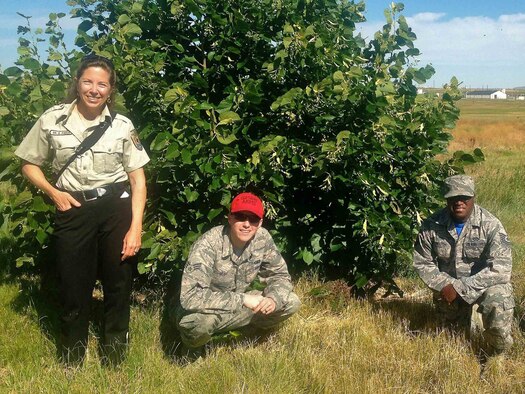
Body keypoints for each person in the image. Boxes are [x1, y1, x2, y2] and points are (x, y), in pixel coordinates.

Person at [15, 54, 149, 366]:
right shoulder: (53, 120)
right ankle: (71, 357)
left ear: (111, 89)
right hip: (73, 208)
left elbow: (138, 181)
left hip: (117, 209)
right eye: (88, 81)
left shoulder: (122, 126)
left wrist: (135, 227)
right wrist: (53, 193)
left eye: (102, 84)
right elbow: (28, 164)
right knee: (74, 285)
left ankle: (114, 357)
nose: (94, 89)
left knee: (118, 284)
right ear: (77, 83)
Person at [176, 192, 301, 358]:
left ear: (261, 222)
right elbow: (191, 297)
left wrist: (272, 299)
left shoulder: (262, 238)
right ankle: (192, 348)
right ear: (230, 218)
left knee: (290, 302)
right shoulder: (209, 243)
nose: (247, 224)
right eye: (240, 217)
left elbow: (280, 275)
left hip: (238, 306)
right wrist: (243, 299)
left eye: (253, 219)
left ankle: (247, 333)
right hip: (204, 310)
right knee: (200, 324)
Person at [413, 175, 514, 357]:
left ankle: (498, 354)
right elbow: (422, 262)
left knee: (498, 301)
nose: (459, 202)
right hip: (448, 289)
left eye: (464, 198)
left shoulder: (491, 225)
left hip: (484, 287)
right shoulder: (431, 225)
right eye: (453, 198)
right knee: (453, 344)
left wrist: (460, 287)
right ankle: (469, 320)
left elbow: (500, 269)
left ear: (473, 197)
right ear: (446, 199)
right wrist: (445, 285)